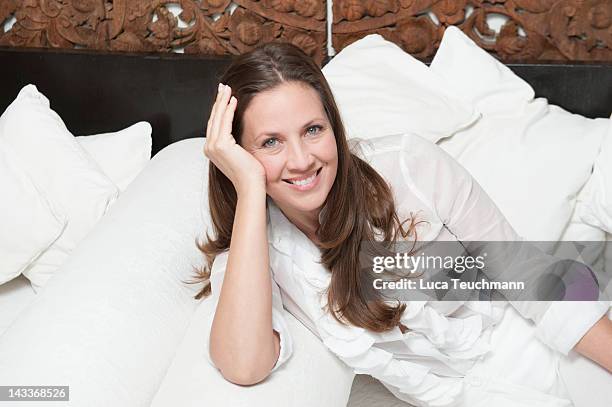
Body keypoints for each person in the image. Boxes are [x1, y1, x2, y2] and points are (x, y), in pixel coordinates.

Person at [191, 41, 612, 407]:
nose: (302, 160)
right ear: (238, 154)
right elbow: (245, 364)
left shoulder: (409, 166)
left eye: (313, 130)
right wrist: (247, 189)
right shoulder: (254, 253)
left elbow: (525, 271)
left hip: (554, 354)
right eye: (270, 142)